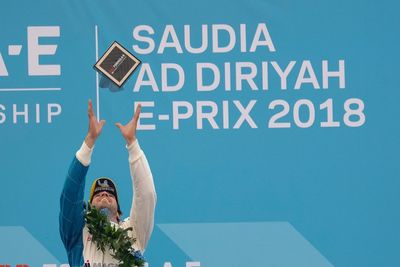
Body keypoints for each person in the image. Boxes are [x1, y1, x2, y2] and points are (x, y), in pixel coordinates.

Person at [59, 100, 157, 267]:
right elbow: (70, 194)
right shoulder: (78, 233)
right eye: (98, 194)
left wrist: (132, 144)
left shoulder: (133, 232)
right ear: (88, 208)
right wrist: (89, 142)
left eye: (110, 194)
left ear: (118, 211)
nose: (104, 195)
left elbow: (146, 195)